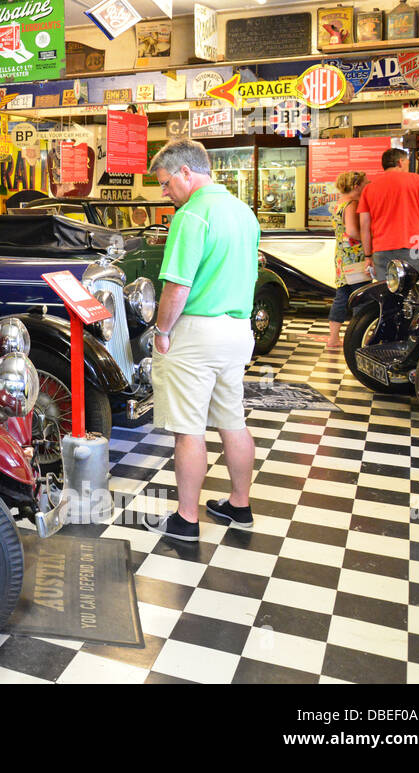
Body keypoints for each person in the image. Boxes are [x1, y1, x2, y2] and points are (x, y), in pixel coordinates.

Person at [142, 140, 261, 542]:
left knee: (188, 429)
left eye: (164, 182)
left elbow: (177, 286)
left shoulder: (192, 215)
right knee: (232, 420)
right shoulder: (244, 212)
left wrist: (160, 332)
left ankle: (187, 519)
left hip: (196, 332)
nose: (164, 191)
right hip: (238, 330)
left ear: (186, 173)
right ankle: (239, 505)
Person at [359, 148, 419, 280]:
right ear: (400, 162)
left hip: (382, 249)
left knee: (387, 292)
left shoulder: (369, 188)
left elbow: (364, 225)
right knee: (416, 291)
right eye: (407, 161)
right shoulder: (416, 180)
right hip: (415, 245)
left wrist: (368, 256)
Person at [326, 170, 371, 350]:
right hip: (355, 256)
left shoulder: (339, 203)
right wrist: (368, 241)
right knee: (361, 297)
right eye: (365, 183)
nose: (368, 185)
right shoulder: (352, 204)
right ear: (356, 186)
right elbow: (352, 231)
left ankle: (333, 338)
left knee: (342, 296)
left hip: (342, 256)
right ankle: (359, 337)